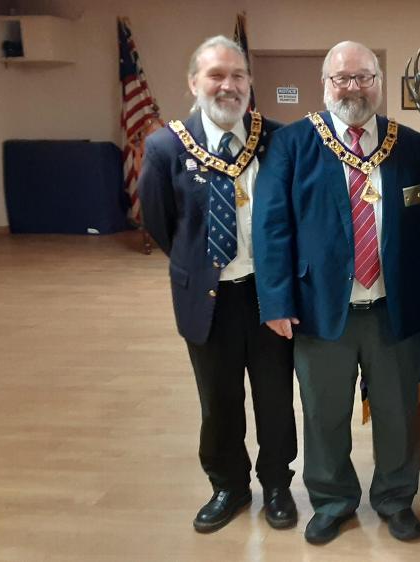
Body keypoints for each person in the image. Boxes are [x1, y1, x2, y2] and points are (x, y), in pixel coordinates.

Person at [252, 41, 420, 545]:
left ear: (378, 81)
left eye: (363, 77)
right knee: (324, 413)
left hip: (393, 310)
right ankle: (332, 500)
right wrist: (277, 302)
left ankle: (396, 498)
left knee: (397, 413)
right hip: (319, 309)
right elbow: (271, 228)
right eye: (341, 78)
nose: (352, 87)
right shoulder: (293, 144)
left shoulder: (411, 145)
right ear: (324, 84)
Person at [138, 36, 297, 533]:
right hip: (207, 299)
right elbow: (162, 223)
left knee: (274, 398)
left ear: (250, 83)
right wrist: (200, 266)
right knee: (219, 399)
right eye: (216, 75)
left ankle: (276, 484)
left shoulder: (277, 139)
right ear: (194, 83)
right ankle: (228, 485)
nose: (228, 86)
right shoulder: (165, 145)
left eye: (238, 76)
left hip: (266, 294)